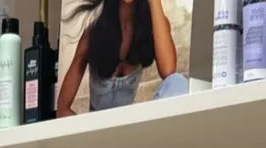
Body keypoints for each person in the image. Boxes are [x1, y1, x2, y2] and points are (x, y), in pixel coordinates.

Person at [57, 0, 189, 116]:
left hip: (129, 126)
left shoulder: (151, 26)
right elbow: (63, 109)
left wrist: (155, 2)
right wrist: (88, 132)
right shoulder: (94, 32)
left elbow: (169, 72)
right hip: (99, 130)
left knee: (178, 82)